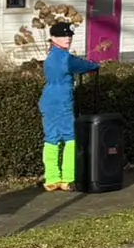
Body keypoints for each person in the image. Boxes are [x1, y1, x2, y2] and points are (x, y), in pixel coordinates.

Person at [40, 21, 101, 191]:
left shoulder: (50, 57)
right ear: (53, 38)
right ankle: (68, 178)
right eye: (62, 36)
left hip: (48, 100)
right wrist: (95, 65)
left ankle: (51, 178)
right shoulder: (66, 58)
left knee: (51, 139)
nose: (67, 38)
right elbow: (85, 65)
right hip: (62, 101)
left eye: (69, 35)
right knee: (70, 138)